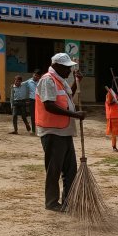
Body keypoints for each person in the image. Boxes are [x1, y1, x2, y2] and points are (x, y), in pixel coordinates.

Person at [35, 52, 85, 211]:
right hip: (52, 132)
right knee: (54, 169)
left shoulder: (60, 81)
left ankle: (68, 201)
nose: (69, 71)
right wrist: (74, 115)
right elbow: (49, 105)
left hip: (64, 131)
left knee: (70, 169)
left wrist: (77, 83)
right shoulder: (47, 80)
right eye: (67, 68)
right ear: (56, 66)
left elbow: (67, 98)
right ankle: (51, 202)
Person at [105, 78, 118, 152]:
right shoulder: (110, 92)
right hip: (114, 114)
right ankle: (114, 147)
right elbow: (109, 102)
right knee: (114, 132)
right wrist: (117, 99)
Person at [23, 69, 41, 134]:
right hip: (32, 100)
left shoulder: (40, 82)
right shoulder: (29, 81)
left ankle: (40, 130)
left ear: (39, 77)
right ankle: (33, 130)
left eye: (37, 76)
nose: (36, 77)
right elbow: (21, 85)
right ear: (33, 74)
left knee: (40, 115)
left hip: (40, 101)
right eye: (35, 75)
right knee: (33, 116)